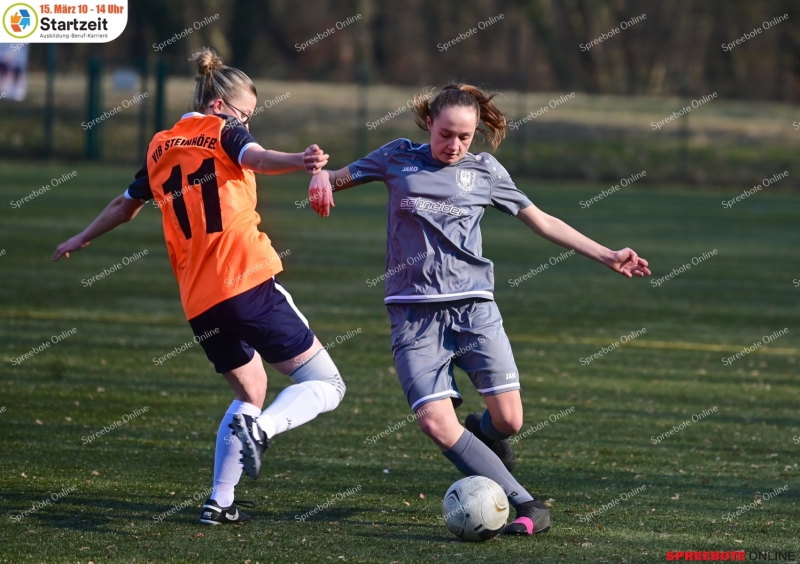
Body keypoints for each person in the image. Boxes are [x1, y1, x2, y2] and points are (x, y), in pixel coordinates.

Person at [306, 84, 651, 536]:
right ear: (429, 123)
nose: (454, 145)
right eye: (446, 134)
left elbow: (541, 220)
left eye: (464, 137)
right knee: (434, 423)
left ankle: (484, 437)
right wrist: (318, 176)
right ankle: (526, 502)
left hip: (475, 310)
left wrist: (607, 255)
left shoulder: (484, 170)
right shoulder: (395, 157)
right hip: (414, 316)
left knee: (509, 420)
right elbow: (334, 178)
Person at [53, 47, 347, 526]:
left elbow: (125, 204)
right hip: (245, 282)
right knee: (327, 384)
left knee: (250, 391)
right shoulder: (224, 132)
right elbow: (257, 156)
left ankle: (220, 501)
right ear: (218, 106)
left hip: (199, 303)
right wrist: (300, 159)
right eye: (245, 114)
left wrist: (83, 237)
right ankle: (264, 431)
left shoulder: (159, 146)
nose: (247, 122)